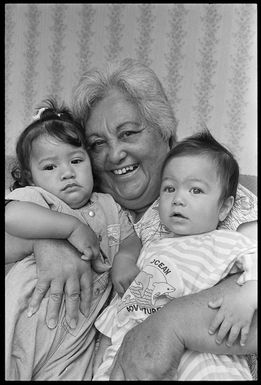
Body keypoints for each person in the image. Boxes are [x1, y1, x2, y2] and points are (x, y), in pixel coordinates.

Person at [5, 58, 257, 380]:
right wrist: (49, 237)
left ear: (166, 134)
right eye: (97, 144)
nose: (114, 154)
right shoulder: (85, 201)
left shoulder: (212, 196)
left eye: (128, 133)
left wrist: (173, 324)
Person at [92, 130, 257, 380]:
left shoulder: (227, 241)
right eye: (169, 188)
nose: (178, 198)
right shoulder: (150, 249)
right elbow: (124, 307)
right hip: (133, 352)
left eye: (196, 191)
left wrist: (248, 295)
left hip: (204, 353)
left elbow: (255, 260)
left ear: (224, 207)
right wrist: (103, 359)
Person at [5, 98, 141, 380]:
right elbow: (10, 215)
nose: (67, 173)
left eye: (76, 161)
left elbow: (131, 236)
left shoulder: (109, 205)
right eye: (50, 167)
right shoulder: (37, 198)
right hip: (25, 316)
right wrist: (69, 227)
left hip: (78, 335)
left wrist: (126, 257)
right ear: (30, 177)